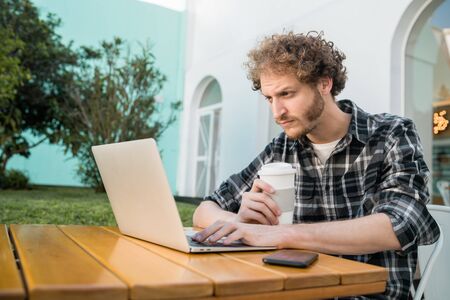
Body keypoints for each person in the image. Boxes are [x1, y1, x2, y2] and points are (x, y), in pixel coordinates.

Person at [191, 31, 440, 299]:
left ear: (324, 83)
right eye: (269, 98)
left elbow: (399, 225)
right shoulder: (281, 149)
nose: (277, 112)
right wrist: (240, 222)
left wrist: (278, 235)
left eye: (286, 93)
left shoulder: (392, 134)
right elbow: (205, 210)